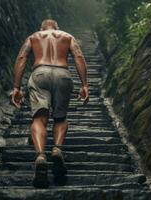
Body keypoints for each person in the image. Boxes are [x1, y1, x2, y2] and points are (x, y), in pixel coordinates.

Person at [11, 19, 89, 188]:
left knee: (39, 119)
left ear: (42, 28)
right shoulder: (67, 37)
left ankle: (40, 156)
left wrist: (16, 87)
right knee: (60, 118)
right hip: (62, 75)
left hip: (40, 74)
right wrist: (84, 85)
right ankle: (57, 150)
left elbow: (22, 57)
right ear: (57, 28)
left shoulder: (34, 36)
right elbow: (79, 57)